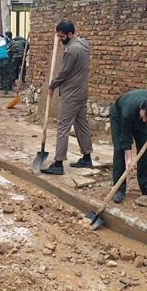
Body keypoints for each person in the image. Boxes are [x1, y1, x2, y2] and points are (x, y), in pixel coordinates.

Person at [40, 20, 93, 176]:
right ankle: (87, 157)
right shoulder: (84, 44)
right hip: (82, 92)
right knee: (82, 124)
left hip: (71, 94)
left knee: (63, 128)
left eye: (62, 36)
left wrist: (52, 85)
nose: (60, 39)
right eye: (58, 36)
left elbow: (64, 72)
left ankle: (58, 163)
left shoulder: (71, 50)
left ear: (70, 34)